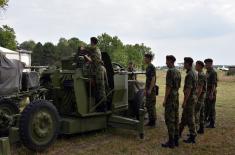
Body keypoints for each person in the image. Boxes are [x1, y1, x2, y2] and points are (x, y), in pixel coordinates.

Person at [162, 55, 181, 148]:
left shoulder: (170, 71)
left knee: (169, 119)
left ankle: (171, 141)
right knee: (176, 119)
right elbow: (178, 86)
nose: (166, 63)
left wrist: (165, 99)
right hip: (176, 97)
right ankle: (176, 140)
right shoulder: (178, 71)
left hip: (170, 99)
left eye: (167, 61)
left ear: (171, 61)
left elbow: (168, 87)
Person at [84, 37, 107, 112]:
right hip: (97, 70)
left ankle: (103, 108)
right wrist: (87, 57)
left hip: (98, 71)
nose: (90, 43)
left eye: (90, 42)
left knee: (101, 90)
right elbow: (92, 60)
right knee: (98, 90)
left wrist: (82, 48)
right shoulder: (96, 50)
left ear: (92, 42)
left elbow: (87, 49)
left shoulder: (94, 48)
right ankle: (99, 107)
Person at [179, 57, 198, 143]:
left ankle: (193, 136)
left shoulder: (190, 74)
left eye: (184, 63)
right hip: (193, 97)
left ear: (188, 64)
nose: (184, 64)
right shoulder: (194, 72)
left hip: (190, 99)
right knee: (184, 117)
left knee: (190, 118)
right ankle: (179, 132)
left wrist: (185, 101)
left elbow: (188, 89)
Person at [144, 53, 157, 127]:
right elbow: (147, 79)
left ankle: (153, 122)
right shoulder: (148, 67)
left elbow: (153, 79)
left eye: (145, 58)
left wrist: (150, 89)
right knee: (148, 105)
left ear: (149, 59)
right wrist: (145, 89)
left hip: (151, 90)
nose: (144, 59)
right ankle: (150, 121)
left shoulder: (151, 67)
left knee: (151, 105)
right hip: (148, 88)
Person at [204, 58, 218, 128]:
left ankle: (212, 123)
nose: (205, 65)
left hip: (211, 92)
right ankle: (207, 120)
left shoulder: (213, 72)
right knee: (206, 107)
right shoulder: (207, 71)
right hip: (207, 92)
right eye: (205, 63)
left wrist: (211, 94)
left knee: (211, 108)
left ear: (210, 64)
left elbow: (214, 84)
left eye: (206, 64)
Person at [195, 61, 207, 134]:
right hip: (202, 96)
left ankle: (194, 130)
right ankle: (201, 129)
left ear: (200, 66)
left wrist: (196, 97)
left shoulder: (201, 75)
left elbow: (200, 88)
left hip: (200, 96)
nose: (195, 66)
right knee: (201, 113)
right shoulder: (200, 74)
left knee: (196, 113)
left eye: (196, 65)